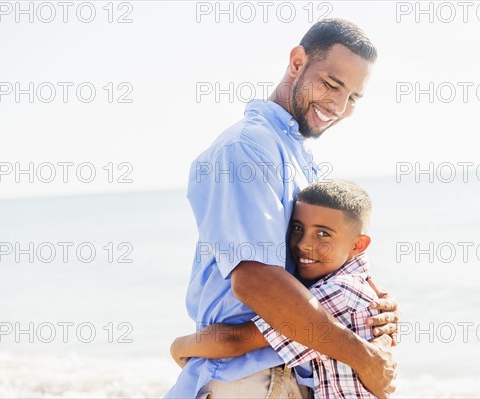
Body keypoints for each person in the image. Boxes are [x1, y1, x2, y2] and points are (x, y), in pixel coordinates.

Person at [164, 19, 399, 399]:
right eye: (332, 84)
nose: (339, 106)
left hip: (290, 374)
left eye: (354, 97)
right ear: (296, 62)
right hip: (253, 380)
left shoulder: (295, 155)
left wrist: (372, 305)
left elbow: (318, 276)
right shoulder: (247, 148)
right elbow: (255, 280)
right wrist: (362, 356)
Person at [171, 180, 389, 399]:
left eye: (323, 234)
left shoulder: (340, 292)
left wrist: (178, 347)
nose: (303, 244)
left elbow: (236, 340)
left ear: (358, 245)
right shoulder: (355, 286)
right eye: (297, 228)